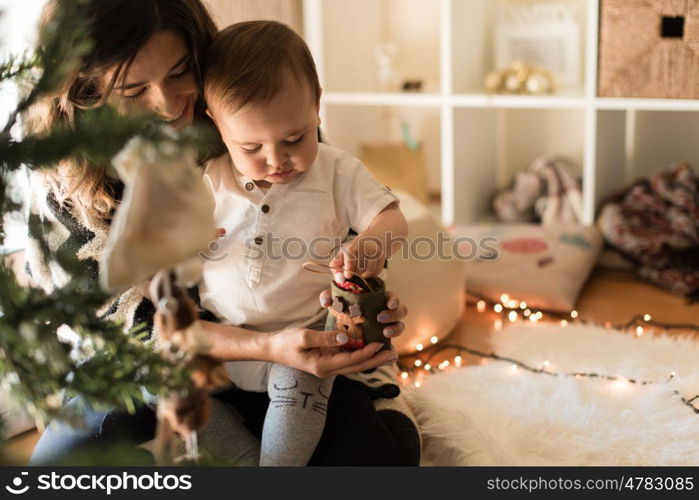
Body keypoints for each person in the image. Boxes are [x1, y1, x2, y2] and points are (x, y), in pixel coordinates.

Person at [25, 0, 420, 466]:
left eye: (178, 73)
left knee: (379, 456)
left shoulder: (255, 109)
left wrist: (368, 298)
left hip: (296, 344)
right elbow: (127, 324)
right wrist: (261, 345)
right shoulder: (65, 174)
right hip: (157, 358)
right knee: (59, 469)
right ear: (86, 93)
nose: (170, 105)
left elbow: (347, 226)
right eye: (134, 90)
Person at [199, 20, 409, 466]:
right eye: (251, 147)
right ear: (217, 126)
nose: (276, 160)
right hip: (225, 343)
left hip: (309, 343)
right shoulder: (207, 180)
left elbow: (391, 218)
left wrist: (370, 245)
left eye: (294, 139)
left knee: (305, 394)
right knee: (172, 394)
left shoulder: (336, 170)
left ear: (317, 107)